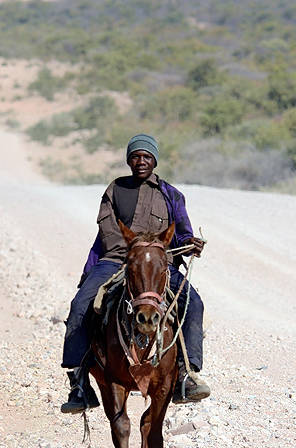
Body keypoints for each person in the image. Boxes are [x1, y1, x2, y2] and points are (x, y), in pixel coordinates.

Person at [61, 133, 211, 413]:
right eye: (135, 156)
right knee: (80, 304)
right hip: (117, 259)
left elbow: (181, 233)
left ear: (155, 160)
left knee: (193, 303)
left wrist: (190, 243)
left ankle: (187, 373)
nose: (141, 161)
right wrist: (134, 252)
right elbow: (108, 231)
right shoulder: (115, 189)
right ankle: (79, 383)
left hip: (157, 263)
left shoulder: (172, 194)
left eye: (147, 156)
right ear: (129, 161)